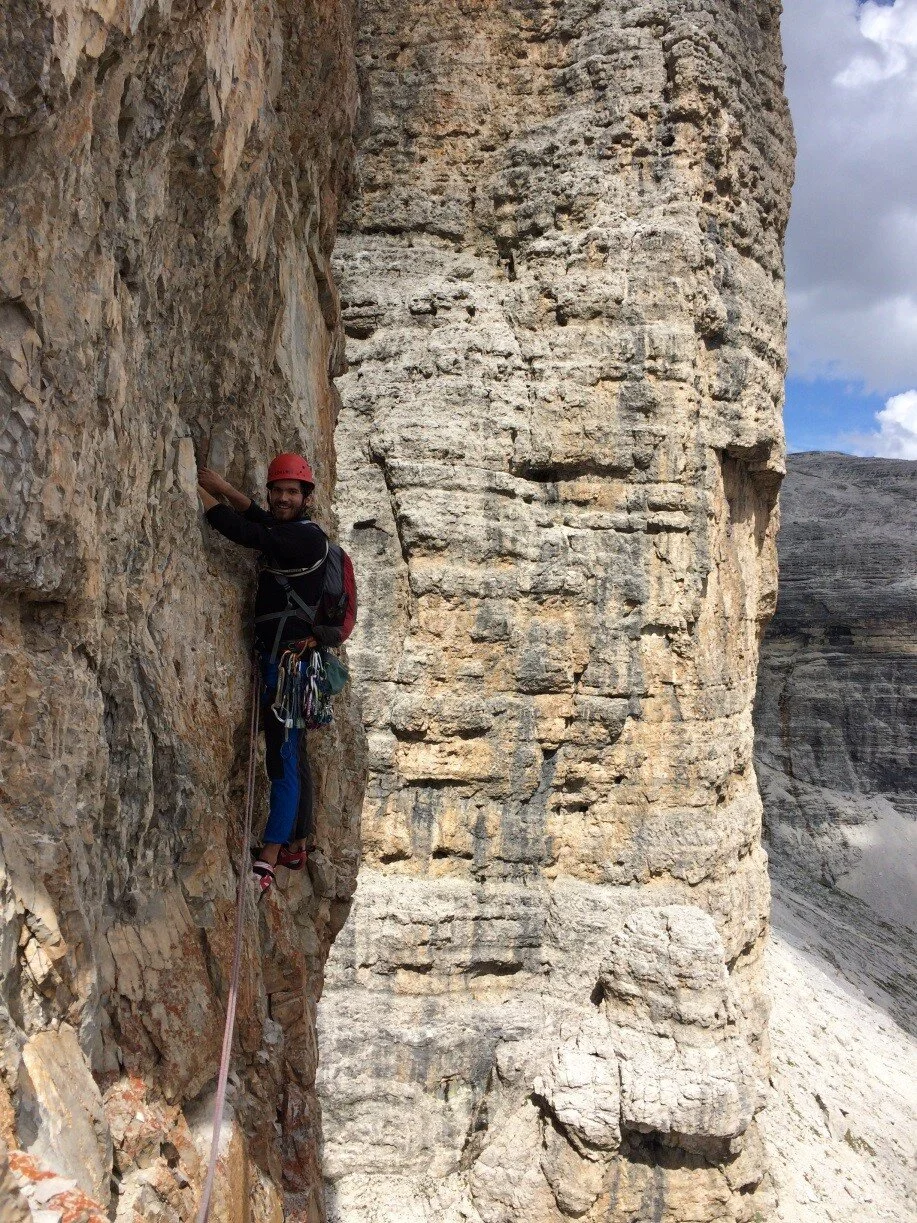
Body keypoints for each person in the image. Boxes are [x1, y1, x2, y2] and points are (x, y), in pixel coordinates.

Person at [198, 453, 339, 894]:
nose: (283, 498)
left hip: (290, 669)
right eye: (278, 490)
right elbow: (262, 520)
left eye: (292, 492)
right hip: (282, 660)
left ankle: (269, 858)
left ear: (306, 497)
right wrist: (225, 489)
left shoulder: (307, 539)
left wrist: (195, 489)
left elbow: (249, 533)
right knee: (290, 753)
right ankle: (295, 842)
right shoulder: (295, 531)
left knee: (282, 758)